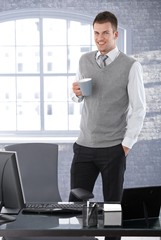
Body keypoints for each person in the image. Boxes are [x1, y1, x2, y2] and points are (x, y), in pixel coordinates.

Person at [69, 11, 146, 240]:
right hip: (83, 146)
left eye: (105, 33)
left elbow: (139, 108)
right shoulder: (84, 60)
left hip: (113, 149)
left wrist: (126, 145)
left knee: (113, 212)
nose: (99, 38)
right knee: (76, 209)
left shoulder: (131, 66)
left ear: (115, 34)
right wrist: (75, 94)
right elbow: (80, 97)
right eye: (96, 33)